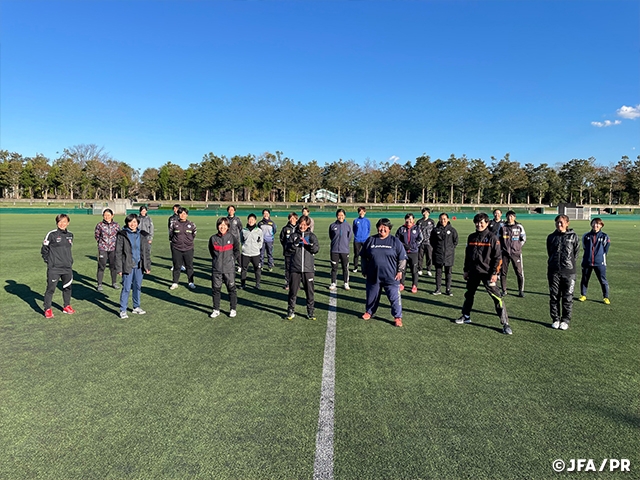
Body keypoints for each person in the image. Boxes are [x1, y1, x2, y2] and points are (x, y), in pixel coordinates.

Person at [455, 213, 512, 335]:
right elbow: (468, 256)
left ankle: (505, 323)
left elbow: (498, 258)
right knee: (469, 295)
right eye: (477, 222)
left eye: (482, 222)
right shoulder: (471, 237)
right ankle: (466, 316)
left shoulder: (492, 238)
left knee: (497, 298)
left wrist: (494, 273)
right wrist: (466, 270)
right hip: (473, 272)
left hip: (487, 273)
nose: (479, 224)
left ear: (487, 223)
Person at [360, 218, 407, 327]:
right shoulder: (371, 240)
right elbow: (363, 257)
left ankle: (397, 317)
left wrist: (400, 270)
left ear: (389, 229)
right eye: (380, 227)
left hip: (391, 276)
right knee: (372, 296)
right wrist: (364, 269)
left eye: (385, 227)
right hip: (373, 275)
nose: (382, 229)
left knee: (394, 298)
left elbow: (402, 258)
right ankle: (369, 312)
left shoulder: (395, 241)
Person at [115, 213, 151, 319]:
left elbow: (146, 252)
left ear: (138, 223)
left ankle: (136, 307)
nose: (132, 224)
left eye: (135, 222)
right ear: (127, 223)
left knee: (137, 287)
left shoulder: (142, 235)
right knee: (126, 288)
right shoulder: (122, 234)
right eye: (130, 222)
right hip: (127, 265)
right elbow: (118, 252)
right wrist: (119, 268)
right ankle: (123, 310)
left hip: (139, 266)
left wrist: (147, 265)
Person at [547, 214, 580, 330]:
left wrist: (568, 264)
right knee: (554, 296)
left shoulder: (573, 236)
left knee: (568, 297)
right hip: (554, 271)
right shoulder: (551, 237)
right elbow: (549, 252)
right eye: (557, 222)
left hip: (569, 272)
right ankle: (555, 319)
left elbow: (575, 253)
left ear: (567, 223)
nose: (559, 225)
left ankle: (565, 320)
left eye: (561, 222)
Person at [285, 215, 320, 320]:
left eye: (305, 224)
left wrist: (311, 246)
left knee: (310, 292)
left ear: (308, 225)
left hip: (308, 268)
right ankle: (291, 311)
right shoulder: (293, 236)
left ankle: (310, 312)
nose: (302, 226)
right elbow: (288, 250)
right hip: (295, 268)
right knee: (293, 291)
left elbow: (316, 249)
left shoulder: (312, 236)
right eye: (301, 224)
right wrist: (294, 245)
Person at [41, 214, 75, 318]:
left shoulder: (70, 235)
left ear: (68, 223)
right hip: (54, 268)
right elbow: (44, 250)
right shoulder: (51, 234)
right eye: (60, 221)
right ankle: (47, 309)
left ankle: (66, 306)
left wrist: (69, 261)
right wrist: (50, 261)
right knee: (51, 289)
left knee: (67, 287)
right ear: (57, 223)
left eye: (64, 221)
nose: (62, 224)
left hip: (67, 267)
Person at [208, 217, 240, 318]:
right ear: (217, 226)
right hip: (216, 269)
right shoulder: (213, 238)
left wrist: (231, 260)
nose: (222, 227)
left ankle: (233, 309)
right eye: (220, 225)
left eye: (224, 225)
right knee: (216, 290)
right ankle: (216, 309)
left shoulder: (232, 237)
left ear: (228, 227)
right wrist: (216, 261)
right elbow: (211, 252)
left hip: (229, 269)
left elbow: (236, 250)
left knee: (231, 289)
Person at [579, 218, 611, 304]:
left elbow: (605, 249)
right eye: (594, 223)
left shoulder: (605, 236)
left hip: (599, 262)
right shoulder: (586, 236)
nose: (595, 225)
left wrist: (600, 257)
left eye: (597, 224)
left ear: (601, 225)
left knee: (602, 280)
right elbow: (585, 247)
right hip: (587, 261)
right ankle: (583, 295)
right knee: (585, 279)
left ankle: (606, 297)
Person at [499, 210, 527, 297]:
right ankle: (504, 290)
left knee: (519, 273)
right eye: (508, 216)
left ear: (514, 217)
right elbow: (498, 239)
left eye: (511, 216)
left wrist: (517, 247)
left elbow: (523, 238)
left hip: (516, 253)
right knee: (503, 272)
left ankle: (521, 291)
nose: (509, 218)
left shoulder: (519, 226)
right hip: (504, 253)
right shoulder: (502, 227)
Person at [430, 213, 458, 296]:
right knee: (438, 272)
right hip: (438, 254)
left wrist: (449, 249)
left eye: (445, 219)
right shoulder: (435, 230)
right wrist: (438, 249)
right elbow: (432, 241)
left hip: (449, 255)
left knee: (448, 273)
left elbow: (455, 241)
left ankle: (448, 289)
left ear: (448, 219)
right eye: (441, 219)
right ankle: (438, 289)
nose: (443, 220)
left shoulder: (452, 230)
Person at [169, 207, 197, 290]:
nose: (182, 215)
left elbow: (194, 234)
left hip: (188, 248)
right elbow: (171, 234)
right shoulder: (174, 224)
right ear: (178, 214)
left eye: (184, 213)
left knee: (189, 266)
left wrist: (188, 241)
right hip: (177, 248)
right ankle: (175, 282)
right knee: (177, 266)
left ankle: (191, 282)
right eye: (181, 213)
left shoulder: (192, 224)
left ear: (187, 215)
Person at [395, 213, 423, 293]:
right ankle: (401, 284)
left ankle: (414, 285)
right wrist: (403, 245)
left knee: (414, 270)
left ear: (413, 220)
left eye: (411, 219)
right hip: (403, 252)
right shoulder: (401, 229)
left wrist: (414, 246)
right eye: (407, 219)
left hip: (413, 252)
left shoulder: (417, 228)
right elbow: (397, 239)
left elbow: (420, 238)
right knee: (402, 269)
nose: (409, 221)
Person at [94, 208, 120, 291]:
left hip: (113, 248)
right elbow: (97, 236)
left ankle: (114, 282)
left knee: (113, 266)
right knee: (101, 266)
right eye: (105, 215)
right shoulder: (100, 225)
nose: (106, 217)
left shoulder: (116, 225)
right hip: (103, 248)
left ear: (112, 216)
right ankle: (99, 284)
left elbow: (119, 236)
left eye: (108, 215)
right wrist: (102, 244)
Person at [329, 208, 352, 291]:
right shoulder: (332, 226)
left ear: (344, 216)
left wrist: (344, 244)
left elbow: (349, 237)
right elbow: (331, 237)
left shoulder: (348, 226)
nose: (340, 217)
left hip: (344, 250)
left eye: (342, 215)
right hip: (334, 250)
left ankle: (346, 283)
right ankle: (333, 282)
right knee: (334, 268)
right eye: (339, 215)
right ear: (336, 216)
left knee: (345, 267)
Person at [240, 213, 263, 289]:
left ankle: (257, 284)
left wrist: (257, 247)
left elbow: (261, 241)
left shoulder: (259, 230)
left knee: (257, 269)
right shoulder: (243, 230)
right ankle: (243, 284)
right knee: (244, 269)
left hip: (255, 253)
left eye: (252, 220)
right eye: (250, 219)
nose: (251, 221)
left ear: (255, 221)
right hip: (245, 253)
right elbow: (241, 240)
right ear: (247, 220)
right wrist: (244, 247)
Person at [279, 212, 299, 290]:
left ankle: (296, 284)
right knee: (288, 268)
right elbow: (282, 238)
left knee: (297, 268)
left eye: (293, 218)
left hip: (297, 253)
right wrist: (286, 246)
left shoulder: (299, 228)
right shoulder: (285, 228)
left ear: (296, 219)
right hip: (288, 252)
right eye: (290, 218)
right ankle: (288, 283)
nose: (292, 220)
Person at [416, 207, 435, 276]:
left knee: (429, 257)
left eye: (427, 212)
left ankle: (429, 269)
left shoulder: (432, 222)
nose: (425, 213)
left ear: (429, 213)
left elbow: (434, 232)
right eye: (424, 212)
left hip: (429, 242)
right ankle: (420, 269)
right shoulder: (419, 222)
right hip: (421, 243)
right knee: (420, 257)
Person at [352, 206, 370, 273]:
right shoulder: (355, 221)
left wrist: (366, 236)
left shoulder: (367, 221)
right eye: (360, 211)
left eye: (363, 211)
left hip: (365, 240)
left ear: (365, 212)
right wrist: (357, 235)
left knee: (366, 255)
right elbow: (354, 229)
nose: (361, 212)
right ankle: (355, 267)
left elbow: (368, 229)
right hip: (357, 240)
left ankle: (366, 267)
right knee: (356, 254)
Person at [168, 204, 184, 272]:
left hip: (181, 238)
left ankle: (182, 265)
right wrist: (171, 237)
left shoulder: (182, 217)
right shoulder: (171, 218)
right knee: (174, 252)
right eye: (174, 208)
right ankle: (175, 265)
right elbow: (169, 228)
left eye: (176, 208)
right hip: (173, 238)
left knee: (182, 251)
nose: (175, 210)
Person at [227, 205, 244, 272]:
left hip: (236, 239)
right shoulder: (226, 219)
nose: (231, 211)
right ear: (228, 211)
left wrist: (240, 237)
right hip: (228, 239)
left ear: (234, 211)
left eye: (232, 210)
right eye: (229, 209)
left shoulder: (237, 219)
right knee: (228, 252)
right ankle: (230, 265)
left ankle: (240, 265)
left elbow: (240, 228)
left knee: (237, 252)